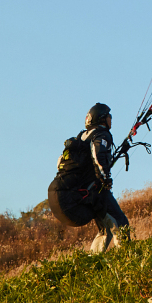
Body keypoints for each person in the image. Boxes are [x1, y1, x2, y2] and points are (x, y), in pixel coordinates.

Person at [48, 103, 130, 253]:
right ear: (101, 119)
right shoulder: (101, 134)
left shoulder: (82, 137)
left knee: (106, 227)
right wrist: (105, 179)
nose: (111, 119)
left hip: (63, 194)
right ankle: (128, 259)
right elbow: (98, 155)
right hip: (80, 195)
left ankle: (93, 262)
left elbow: (69, 162)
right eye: (108, 116)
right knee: (120, 222)